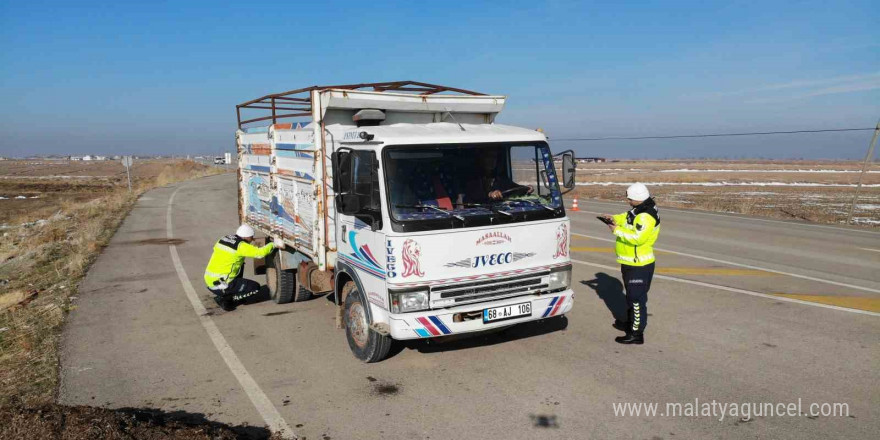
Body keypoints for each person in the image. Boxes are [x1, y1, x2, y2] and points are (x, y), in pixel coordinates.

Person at [600, 183, 660, 345]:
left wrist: (616, 230)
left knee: (636, 298)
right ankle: (630, 322)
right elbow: (626, 217)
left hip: (639, 264)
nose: (627, 200)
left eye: (629, 198)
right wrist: (613, 218)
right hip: (630, 262)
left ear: (637, 198)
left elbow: (638, 238)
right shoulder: (638, 209)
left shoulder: (645, 216)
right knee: (632, 297)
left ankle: (636, 333)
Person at [203, 224, 275, 311]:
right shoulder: (241, 246)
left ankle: (227, 293)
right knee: (255, 287)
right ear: (246, 236)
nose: (252, 240)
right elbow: (260, 253)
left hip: (210, 281)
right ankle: (226, 299)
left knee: (240, 264)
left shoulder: (223, 239)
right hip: (223, 284)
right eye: (251, 237)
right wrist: (273, 244)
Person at [463, 149, 532, 203]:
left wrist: (526, 188)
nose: (492, 160)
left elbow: (513, 187)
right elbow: (475, 193)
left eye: (494, 157)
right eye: (488, 157)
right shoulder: (473, 178)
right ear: (481, 158)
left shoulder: (500, 178)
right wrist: (490, 194)